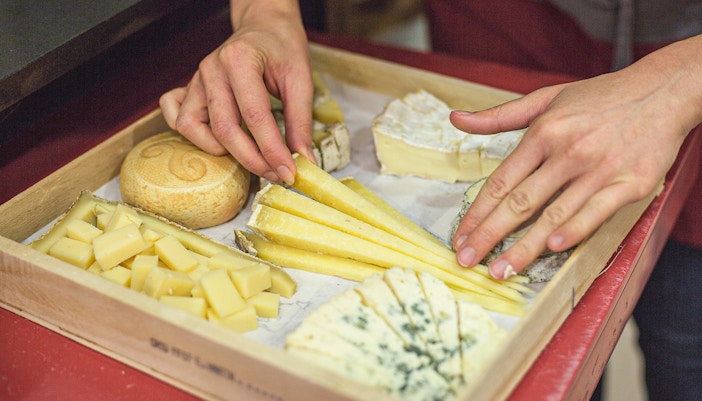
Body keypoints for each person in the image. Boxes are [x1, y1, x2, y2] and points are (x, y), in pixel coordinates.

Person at [159, 1, 701, 399]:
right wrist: (265, 13)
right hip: (500, 36)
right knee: (557, 365)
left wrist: (679, 80)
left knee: (688, 354)